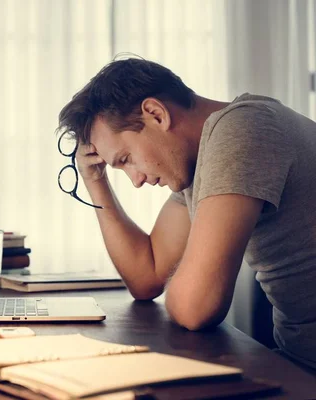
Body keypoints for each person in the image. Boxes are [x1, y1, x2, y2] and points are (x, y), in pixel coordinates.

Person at [57, 57, 316, 370]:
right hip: (297, 359)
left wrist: (189, 283)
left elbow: (197, 307)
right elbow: (147, 277)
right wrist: (94, 179)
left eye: (126, 159)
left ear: (156, 114)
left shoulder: (243, 129)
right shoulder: (199, 163)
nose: (136, 180)